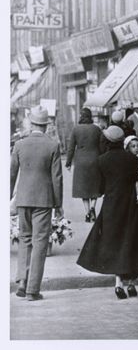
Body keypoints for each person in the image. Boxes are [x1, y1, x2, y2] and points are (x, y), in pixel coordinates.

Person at [77, 126, 138, 300]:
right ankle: (131, 283)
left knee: (116, 241)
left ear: (107, 141)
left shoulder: (102, 160)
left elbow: (100, 188)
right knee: (134, 240)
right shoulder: (131, 159)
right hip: (133, 204)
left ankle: (118, 283)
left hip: (112, 206)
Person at [10, 105, 63, 301]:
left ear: (31, 123)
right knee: (40, 242)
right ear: (46, 126)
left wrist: (8, 198)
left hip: (23, 198)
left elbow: (11, 175)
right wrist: (59, 205)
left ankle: (22, 281)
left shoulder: (19, 145)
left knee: (25, 238)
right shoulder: (53, 145)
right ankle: (33, 289)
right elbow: (57, 178)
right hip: (44, 200)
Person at [66, 108, 102, 222]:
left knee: (84, 189)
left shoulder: (76, 129)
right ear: (90, 116)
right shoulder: (97, 129)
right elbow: (102, 146)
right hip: (95, 160)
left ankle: (87, 213)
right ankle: (93, 207)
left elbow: (71, 148)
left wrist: (68, 163)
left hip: (81, 162)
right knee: (95, 187)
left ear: (81, 116)